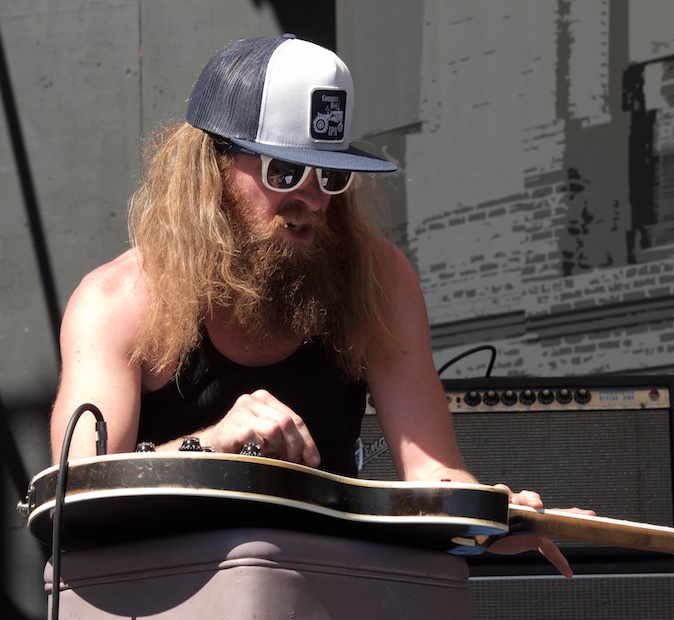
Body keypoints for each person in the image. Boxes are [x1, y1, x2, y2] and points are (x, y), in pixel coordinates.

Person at [49, 35, 592, 576]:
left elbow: (433, 471)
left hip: (327, 594)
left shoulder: (375, 280)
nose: (311, 199)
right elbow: (79, 500)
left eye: (331, 175)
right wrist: (209, 448)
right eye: (283, 172)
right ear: (209, 168)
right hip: (160, 596)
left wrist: (489, 518)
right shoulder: (118, 302)